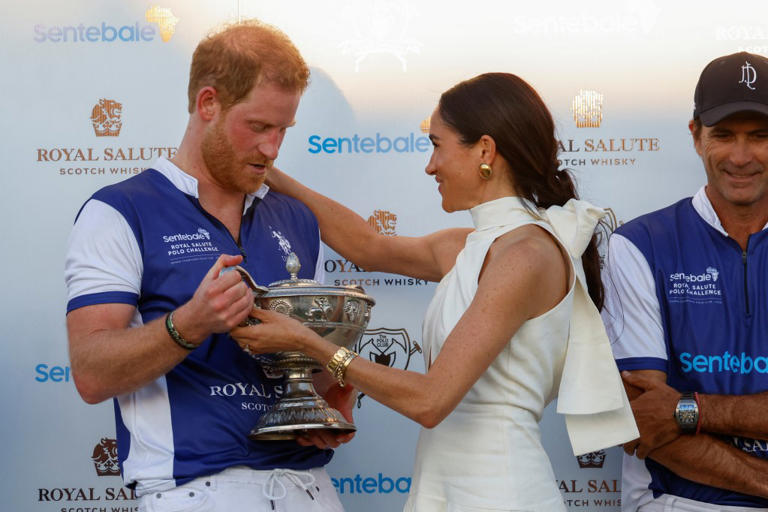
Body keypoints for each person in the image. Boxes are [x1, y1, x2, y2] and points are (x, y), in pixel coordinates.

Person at [231, 72, 638, 511]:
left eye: (437, 145)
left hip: (500, 495)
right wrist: (266, 170)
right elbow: (367, 247)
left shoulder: (527, 254)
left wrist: (305, 342)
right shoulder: (471, 246)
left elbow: (431, 400)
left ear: (484, 150)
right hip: (442, 490)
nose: (430, 165)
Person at [64, 20, 352, 512]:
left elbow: (316, 370)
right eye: (259, 126)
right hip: (198, 492)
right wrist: (187, 325)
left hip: (310, 490)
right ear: (208, 103)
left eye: (283, 129)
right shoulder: (121, 210)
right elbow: (90, 373)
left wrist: (334, 389)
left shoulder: (296, 218)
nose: (272, 148)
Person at [602, 51, 768, 511]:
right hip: (677, 500)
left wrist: (685, 409)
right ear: (696, 137)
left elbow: (664, 413)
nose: (741, 156)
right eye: (724, 135)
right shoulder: (639, 245)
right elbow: (641, 421)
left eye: (760, 136)